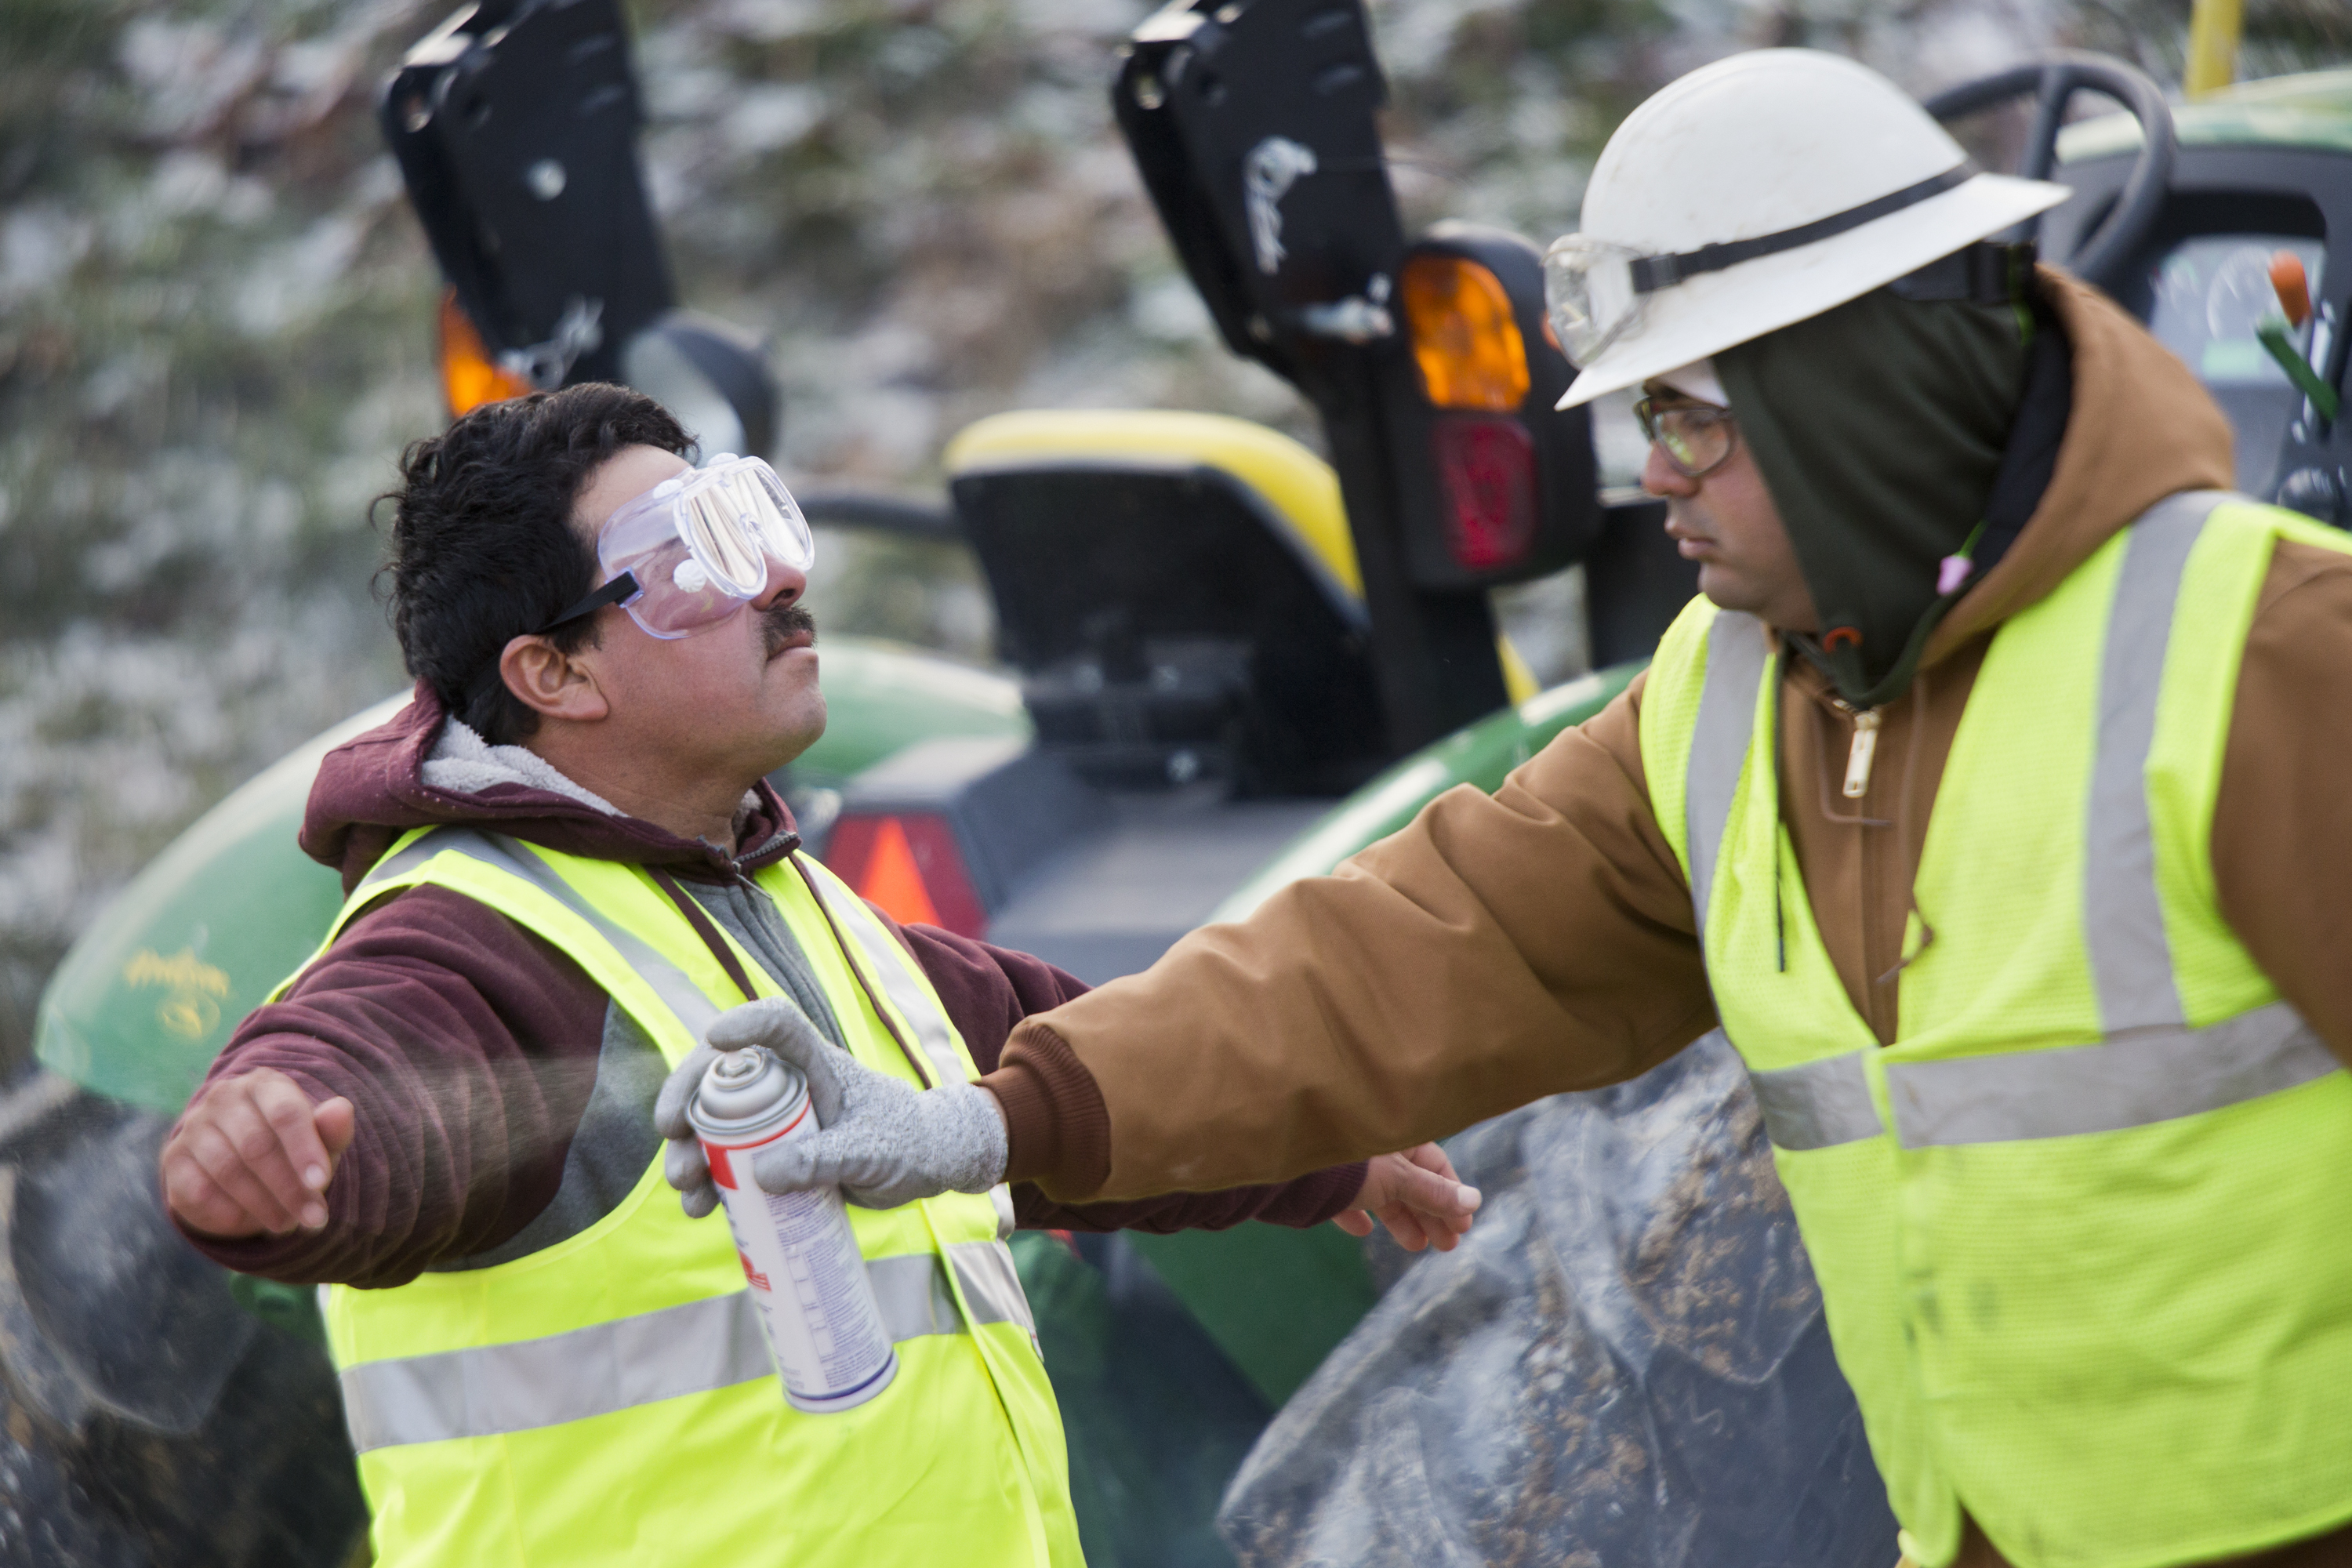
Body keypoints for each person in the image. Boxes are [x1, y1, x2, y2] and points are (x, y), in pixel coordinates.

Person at [688, 49, 2352, 1568]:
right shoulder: (1733, 699)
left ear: (1858, 396)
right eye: (1647, 419)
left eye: (1694, 414)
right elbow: (1396, 957)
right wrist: (995, 1116)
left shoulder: (2267, 658)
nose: (1656, 476)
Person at [157, 383, 1473, 1568]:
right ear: (551, 673)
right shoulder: (472, 940)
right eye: (688, 565)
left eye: (749, 524)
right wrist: (274, 1151)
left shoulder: (781, 903)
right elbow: (363, 1075)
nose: (777, 586)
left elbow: (1065, 1069)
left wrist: (1328, 1151)